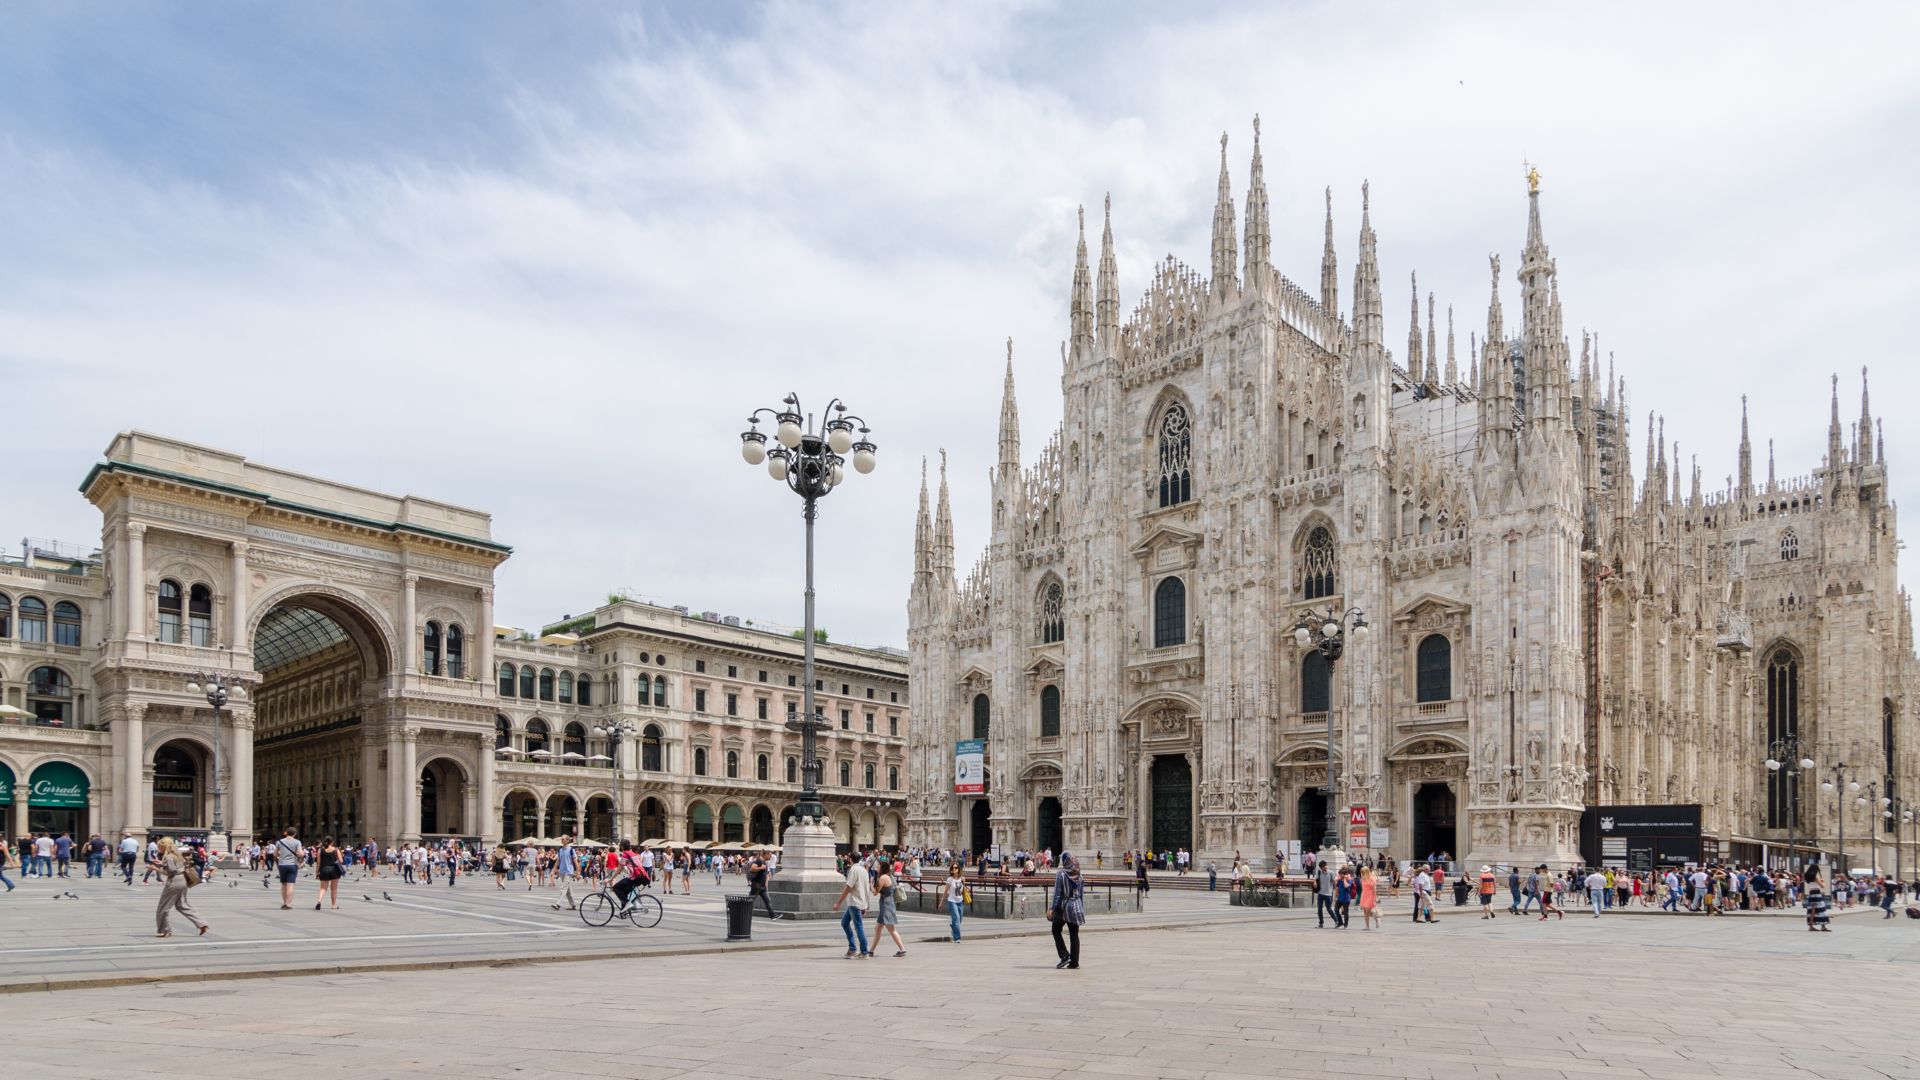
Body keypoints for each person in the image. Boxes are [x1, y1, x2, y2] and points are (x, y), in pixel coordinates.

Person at [151, 837, 208, 938]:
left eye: (160, 847)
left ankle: (165, 930)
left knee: (163, 907)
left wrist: (156, 868)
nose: (159, 849)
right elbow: (176, 867)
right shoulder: (177, 855)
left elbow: (170, 871)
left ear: (164, 846)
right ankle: (201, 923)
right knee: (181, 905)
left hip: (175, 882)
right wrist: (162, 864)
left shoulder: (168, 857)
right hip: (183, 880)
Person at [833, 853, 874, 958]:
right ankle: (852, 948)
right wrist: (866, 904)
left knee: (858, 926)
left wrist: (838, 902)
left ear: (850, 859)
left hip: (855, 902)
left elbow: (848, 887)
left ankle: (864, 952)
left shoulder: (854, 870)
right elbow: (866, 888)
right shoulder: (864, 870)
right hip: (859, 902)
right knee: (844, 922)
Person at [1048, 852, 1085, 969]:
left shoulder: (1062, 875)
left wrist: (1053, 908)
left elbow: (1058, 894)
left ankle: (1064, 956)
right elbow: (1082, 895)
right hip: (1077, 906)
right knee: (1074, 934)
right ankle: (1074, 962)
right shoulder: (1080, 875)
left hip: (1065, 907)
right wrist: (1081, 909)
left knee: (1055, 929)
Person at [874, 862, 906, 957]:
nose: (877, 867)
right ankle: (871, 950)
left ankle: (902, 949)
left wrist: (871, 884)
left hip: (886, 905)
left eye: (878, 866)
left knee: (891, 929)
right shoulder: (890, 876)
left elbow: (875, 892)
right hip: (888, 903)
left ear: (882, 867)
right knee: (878, 928)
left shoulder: (883, 878)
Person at [273, 827, 302, 910]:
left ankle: (284, 902)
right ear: (295, 834)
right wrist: (298, 854)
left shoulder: (279, 841)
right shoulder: (297, 842)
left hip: (282, 865)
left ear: (286, 833)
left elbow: (275, 854)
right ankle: (288, 904)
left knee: (283, 884)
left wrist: (281, 856)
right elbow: (301, 854)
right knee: (290, 884)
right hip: (292, 865)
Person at [746, 854, 782, 919]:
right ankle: (741, 911)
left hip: (762, 887)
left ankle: (773, 915)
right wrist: (761, 867)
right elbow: (752, 868)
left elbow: (766, 875)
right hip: (756, 885)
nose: (771, 856)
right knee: (750, 900)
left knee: (767, 901)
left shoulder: (765, 862)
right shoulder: (759, 860)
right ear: (766, 855)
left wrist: (766, 885)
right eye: (769, 855)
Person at [313, 836, 343, 911]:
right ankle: (333, 905)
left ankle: (319, 901)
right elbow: (341, 861)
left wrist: (317, 872)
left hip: (324, 870)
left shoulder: (320, 850)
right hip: (334, 870)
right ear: (332, 842)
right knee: (334, 889)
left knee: (323, 888)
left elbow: (318, 862)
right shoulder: (336, 849)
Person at [943, 862, 966, 942]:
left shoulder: (962, 878)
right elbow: (946, 891)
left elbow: (963, 890)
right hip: (952, 901)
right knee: (956, 918)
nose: (954, 869)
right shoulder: (949, 879)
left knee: (960, 919)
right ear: (951, 870)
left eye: (956, 868)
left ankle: (953, 927)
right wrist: (941, 902)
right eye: (953, 868)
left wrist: (964, 882)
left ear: (959, 869)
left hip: (960, 901)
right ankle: (957, 938)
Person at [1315, 860, 1336, 928]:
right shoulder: (1319, 872)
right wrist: (1315, 882)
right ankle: (1321, 923)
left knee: (1329, 909)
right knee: (1319, 909)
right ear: (1321, 868)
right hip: (1320, 893)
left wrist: (1335, 891)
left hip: (1328, 894)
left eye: (1325, 865)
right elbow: (1316, 879)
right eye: (1323, 866)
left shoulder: (1331, 873)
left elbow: (1334, 882)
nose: (1325, 867)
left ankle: (1336, 921)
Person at [1358, 865, 1379, 929]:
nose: (1362, 873)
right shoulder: (1362, 878)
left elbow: (1374, 889)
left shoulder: (1372, 878)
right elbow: (1362, 887)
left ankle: (1377, 919)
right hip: (1364, 894)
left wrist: (1375, 898)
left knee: (1368, 911)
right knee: (1364, 911)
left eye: (1363, 872)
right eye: (1361, 872)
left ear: (1366, 872)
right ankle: (1367, 926)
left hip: (1370, 895)